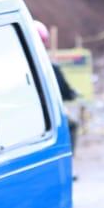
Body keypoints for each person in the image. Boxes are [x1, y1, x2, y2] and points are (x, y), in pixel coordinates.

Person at [33, 20, 79, 152]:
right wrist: (71, 93)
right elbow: (64, 90)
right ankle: (68, 159)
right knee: (71, 126)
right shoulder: (49, 68)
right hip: (47, 113)